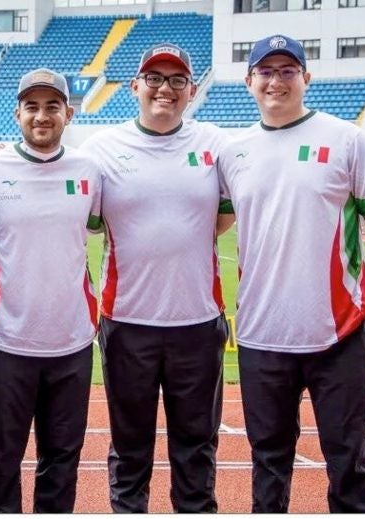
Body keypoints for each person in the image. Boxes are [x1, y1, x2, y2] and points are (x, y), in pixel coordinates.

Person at [217, 34, 365, 513]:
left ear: (306, 78)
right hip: (263, 336)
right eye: (266, 71)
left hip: (338, 333)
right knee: (268, 462)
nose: (276, 81)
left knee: (348, 461)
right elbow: (206, 222)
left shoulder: (346, 139)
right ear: (249, 82)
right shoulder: (232, 151)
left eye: (288, 71)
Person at [80, 43, 229, 513]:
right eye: (156, 78)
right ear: (136, 86)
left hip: (199, 324)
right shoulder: (101, 149)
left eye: (178, 80)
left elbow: (222, 218)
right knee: (130, 448)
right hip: (127, 322)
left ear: (192, 90)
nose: (166, 88)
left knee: (197, 448)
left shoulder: (216, 145)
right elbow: (84, 218)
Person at [0, 68, 102, 513]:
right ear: (17, 113)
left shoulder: (90, 170)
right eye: (32, 106)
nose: (41, 116)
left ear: (69, 112)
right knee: (2, 459)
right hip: (7, 340)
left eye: (51, 107)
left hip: (72, 341)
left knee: (61, 460)